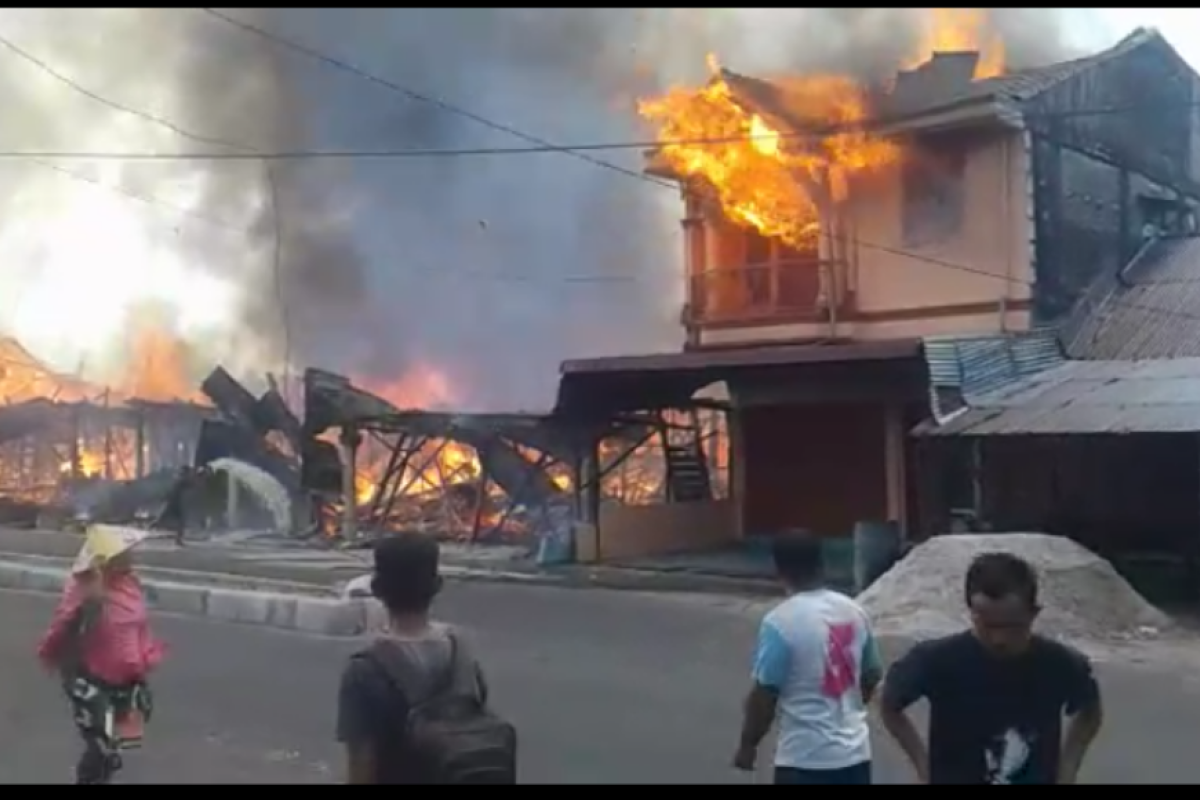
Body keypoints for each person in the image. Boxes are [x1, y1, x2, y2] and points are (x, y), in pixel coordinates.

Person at [880, 551, 1103, 785]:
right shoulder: (936, 659)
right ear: (971, 612)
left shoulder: (1060, 663)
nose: (999, 639)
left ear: (1034, 613)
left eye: (1012, 626)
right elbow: (889, 702)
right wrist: (923, 768)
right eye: (987, 625)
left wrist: (1067, 772)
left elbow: (1090, 712)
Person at [335, 533, 517, 784]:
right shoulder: (462, 653)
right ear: (437, 585)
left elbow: (361, 766)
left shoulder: (364, 670)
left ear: (376, 589)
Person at [733, 530, 882, 785]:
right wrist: (848, 708)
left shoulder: (780, 622)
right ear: (821, 563)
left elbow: (764, 696)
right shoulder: (854, 611)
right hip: (855, 757)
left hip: (804, 761)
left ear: (779, 570)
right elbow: (872, 674)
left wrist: (748, 746)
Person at [37, 525, 166, 784]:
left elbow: (139, 625)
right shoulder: (84, 587)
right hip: (90, 679)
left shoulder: (130, 583)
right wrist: (91, 604)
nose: (133, 556)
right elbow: (63, 628)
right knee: (100, 745)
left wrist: (144, 659)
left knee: (113, 748)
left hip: (125, 680)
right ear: (108, 557)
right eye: (126, 552)